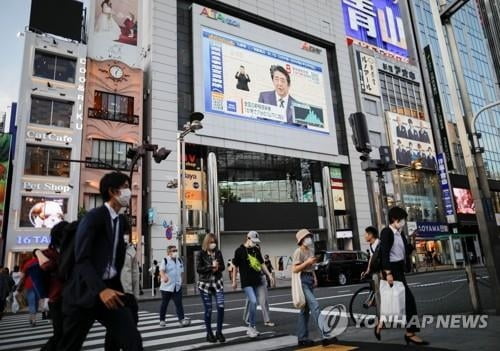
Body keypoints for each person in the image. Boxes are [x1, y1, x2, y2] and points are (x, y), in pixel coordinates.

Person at [58, 172, 142, 351]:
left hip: (110, 290)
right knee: (69, 345)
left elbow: (114, 262)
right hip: (85, 293)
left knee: (132, 340)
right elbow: (82, 259)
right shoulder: (93, 217)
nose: (129, 191)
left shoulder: (120, 221)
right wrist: (101, 290)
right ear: (113, 192)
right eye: (126, 187)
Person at [377, 207, 429, 345]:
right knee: (408, 300)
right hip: (392, 270)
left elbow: (406, 250)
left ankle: (381, 324)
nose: (404, 222)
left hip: (399, 269)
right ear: (395, 219)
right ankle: (410, 333)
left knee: (395, 301)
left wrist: (413, 240)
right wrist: (388, 273)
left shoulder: (400, 233)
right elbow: (384, 253)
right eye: (402, 219)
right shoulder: (387, 232)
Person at [292, 229, 336, 347]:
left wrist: (314, 277)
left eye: (309, 236)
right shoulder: (298, 251)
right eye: (306, 237)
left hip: (309, 279)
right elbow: (295, 269)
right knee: (315, 306)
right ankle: (325, 336)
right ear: (301, 240)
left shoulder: (311, 250)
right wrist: (307, 262)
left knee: (305, 310)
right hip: (302, 280)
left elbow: (311, 267)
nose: (309, 238)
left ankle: (302, 338)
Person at [34, 221, 68, 351]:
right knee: (60, 334)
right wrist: (37, 252)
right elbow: (47, 266)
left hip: (68, 297)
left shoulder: (66, 251)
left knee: (65, 334)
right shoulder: (50, 253)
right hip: (57, 298)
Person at [232, 231, 267, 337]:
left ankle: (252, 327)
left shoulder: (256, 250)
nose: (255, 243)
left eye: (256, 242)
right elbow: (234, 266)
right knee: (253, 301)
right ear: (247, 238)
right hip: (246, 281)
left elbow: (262, 264)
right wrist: (234, 281)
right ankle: (251, 327)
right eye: (253, 241)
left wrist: (269, 275)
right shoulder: (239, 251)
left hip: (256, 280)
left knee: (254, 303)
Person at [240, 238, 276, 329]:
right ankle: (247, 318)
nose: (256, 249)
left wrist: (270, 275)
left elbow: (264, 267)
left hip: (261, 278)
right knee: (250, 301)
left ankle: (267, 320)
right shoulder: (247, 256)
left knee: (264, 300)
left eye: (257, 247)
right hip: (251, 280)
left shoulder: (260, 258)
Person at [197, 233, 225, 343]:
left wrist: (217, 268)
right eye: (211, 242)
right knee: (208, 310)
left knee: (221, 307)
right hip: (205, 285)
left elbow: (222, 267)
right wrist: (210, 267)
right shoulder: (201, 254)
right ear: (207, 242)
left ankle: (219, 332)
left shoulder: (218, 253)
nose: (213, 244)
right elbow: (199, 269)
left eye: (215, 242)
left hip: (217, 283)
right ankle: (209, 333)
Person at [159, 245, 190, 327]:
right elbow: (161, 271)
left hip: (177, 286)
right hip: (166, 287)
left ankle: (181, 319)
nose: (175, 252)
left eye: (176, 250)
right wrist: (164, 277)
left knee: (179, 303)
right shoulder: (165, 260)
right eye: (173, 250)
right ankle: (162, 320)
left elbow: (182, 271)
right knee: (164, 304)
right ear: (169, 252)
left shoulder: (179, 260)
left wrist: (181, 280)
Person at [360, 226, 381, 314]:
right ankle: (374, 303)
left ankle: (382, 318)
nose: (364, 236)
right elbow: (371, 258)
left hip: (380, 272)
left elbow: (383, 258)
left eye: (366, 234)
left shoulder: (379, 244)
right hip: (375, 272)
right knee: (376, 292)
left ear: (371, 235)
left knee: (379, 295)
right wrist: (367, 270)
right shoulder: (372, 245)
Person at [18, 252, 41, 326]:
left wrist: (19, 285)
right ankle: (32, 317)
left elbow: (22, 276)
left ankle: (33, 319)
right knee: (36, 302)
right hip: (38, 284)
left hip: (29, 284)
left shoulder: (26, 264)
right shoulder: (37, 261)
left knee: (31, 302)